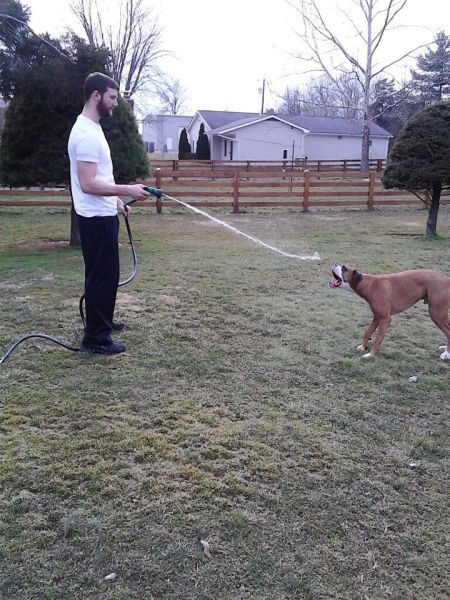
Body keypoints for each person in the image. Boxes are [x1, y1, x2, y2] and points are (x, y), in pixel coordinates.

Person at [68, 72, 149, 355]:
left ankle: (101, 321)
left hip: (102, 213)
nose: (116, 103)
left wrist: (116, 201)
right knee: (102, 276)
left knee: (106, 274)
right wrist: (127, 188)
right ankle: (96, 339)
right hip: (95, 219)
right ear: (96, 96)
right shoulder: (86, 134)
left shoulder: (92, 127)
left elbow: (100, 175)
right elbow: (88, 183)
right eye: (112, 97)